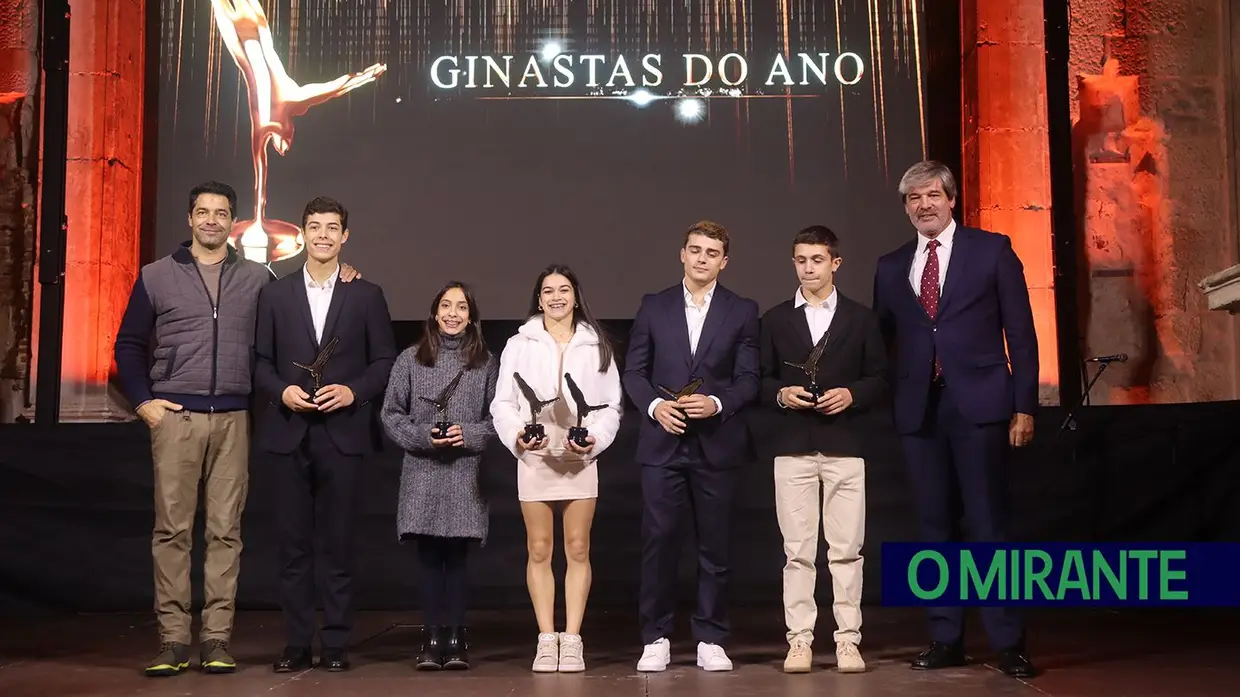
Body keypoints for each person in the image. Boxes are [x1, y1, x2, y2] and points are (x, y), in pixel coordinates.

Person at [113, 181, 359, 677]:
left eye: (221, 214)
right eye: (202, 212)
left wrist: (345, 275)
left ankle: (216, 639)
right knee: (173, 531)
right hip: (175, 417)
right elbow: (128, 343)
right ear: (189, 219)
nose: (211, 221)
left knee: (226, 532)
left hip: (234, 418)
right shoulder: (156, 276)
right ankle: (172, 639)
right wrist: (144, 403)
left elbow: (303, 292)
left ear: (233, 222)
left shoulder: (258, 277)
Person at [871, 160, 1038, 678]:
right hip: (920, 411)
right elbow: (882, 345)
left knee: (990, 524)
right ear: (905, 208)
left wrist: (1024, 405)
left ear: (951, 199)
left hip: (983, 406)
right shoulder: (890, 265)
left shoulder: (993, 250)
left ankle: (1009, 642)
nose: (923, 205)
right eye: (913, 198)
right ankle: (946, 636)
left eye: (932, 195)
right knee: (934, 527)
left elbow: (1023, 334)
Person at [252, 195, 397, 673]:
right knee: (292, 547)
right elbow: (259, 363)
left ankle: (335, 643)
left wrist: (353, 393)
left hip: (344, 434)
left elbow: (383, 363)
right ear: (303, 233)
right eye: (314, 227)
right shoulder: (274, 293)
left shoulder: (367, 294)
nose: (323, 235)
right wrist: (281, 392)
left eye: (332, 228)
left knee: (338, 546)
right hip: (288, 431)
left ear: (345, 236)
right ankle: (296, 643)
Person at [622, 220, 760, 672]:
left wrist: (718, 402)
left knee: (715, 545)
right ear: (682, 253)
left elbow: (748, 379)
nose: (702, 258)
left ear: (724, 261)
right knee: (659, 542)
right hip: (662, 443)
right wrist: (656, 406)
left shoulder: (741, 310)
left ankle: (710, 637)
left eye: (711, 252)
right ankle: (655, 636)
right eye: (695, 250)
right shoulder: (653, 306)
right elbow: (634, 373)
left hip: (716, 443)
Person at [754, 225, 888, 674]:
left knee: (847, 549)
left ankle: (848, 640)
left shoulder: (861, 318)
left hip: (844, 445)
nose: (808, 268)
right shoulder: (774, 320)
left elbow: (880, 379)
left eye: (816, 260)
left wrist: (852, 394)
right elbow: (759, 379)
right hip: (792, 446)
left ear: (835, 263)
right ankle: (800, 641)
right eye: (800, 260)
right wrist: (781, 394)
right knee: (798, 551)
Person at [489, 264, 624, 673]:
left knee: (578, 547)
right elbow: (503, 403)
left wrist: (594, 439)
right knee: (539, 547)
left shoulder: (596, 343)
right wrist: (517, 436)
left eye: (564, 289)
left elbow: (611, 406)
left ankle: (573, 638)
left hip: (579, 457)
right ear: (538, 298)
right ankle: (547, 638)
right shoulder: (520, 343)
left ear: (576, 296)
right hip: (536, 456)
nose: (556, 297)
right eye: (548, 291)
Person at [380, 281, 499, 671]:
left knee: (458, 558)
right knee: (430, 556)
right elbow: (391, 414)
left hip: (465, 472)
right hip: (422, 471)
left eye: (461, 307)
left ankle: (457, 636)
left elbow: (500, 418)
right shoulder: (410, 360)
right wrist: (422, 437)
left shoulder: (485, 363)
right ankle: (432, 637)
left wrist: (469, 434)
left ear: (471, 316)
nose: (452, 313)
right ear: (434, 313)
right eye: (445, 306)